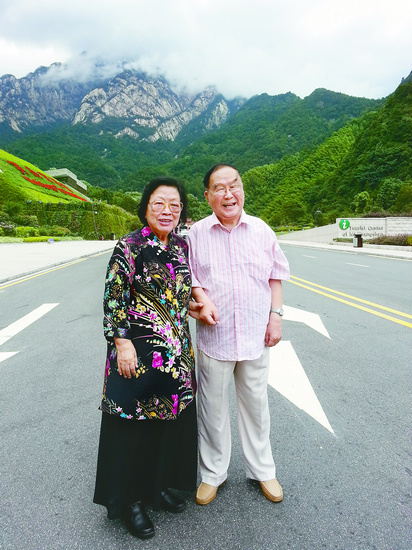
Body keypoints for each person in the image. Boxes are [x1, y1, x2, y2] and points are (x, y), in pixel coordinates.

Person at [94, 177, 198, 540]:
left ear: (181, 211)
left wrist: (197, 307)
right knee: (133, 428)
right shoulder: (130, 246)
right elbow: (114, 297)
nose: (167, 211)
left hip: (176, 356)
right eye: (159, 204)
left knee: (165, 425)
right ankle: (131, 502)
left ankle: (158, 487)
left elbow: (179, 294)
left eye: (175, 205)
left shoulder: (182, 246)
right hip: (137, 355)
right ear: (146, 208)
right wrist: (121, 343)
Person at [187, 164, 290, 506]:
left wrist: (275, 318)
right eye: (220, 188)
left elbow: (275, 277)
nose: (228, 194)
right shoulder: (196, 234)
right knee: (212, 409)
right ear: (208, 196)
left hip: (255, 335)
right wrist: (201, 300)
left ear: (243, 190)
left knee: (256, 406)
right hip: (214, 339)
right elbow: (190, 279)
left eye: (235, 186)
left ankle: (263, 470)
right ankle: (213, 474)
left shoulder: (261, 230)